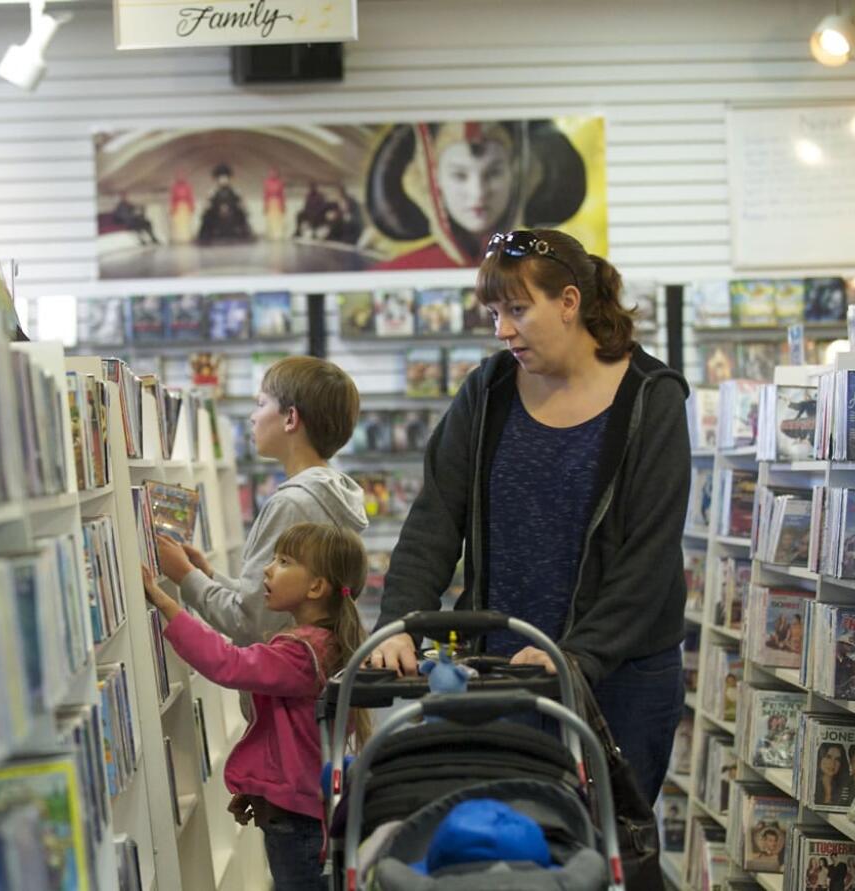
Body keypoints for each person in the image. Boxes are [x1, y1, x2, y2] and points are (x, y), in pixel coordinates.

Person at [367, 228, 691, 805]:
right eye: (494, 312)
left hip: (618, 680)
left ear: (570, 302)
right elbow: (434, 521)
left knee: (604, 845)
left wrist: (578, 655)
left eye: (517, 309)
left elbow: (651, 556)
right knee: (493, 841)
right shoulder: (488, 390)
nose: (502, 330)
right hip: (497, 669)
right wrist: (401, 625)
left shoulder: (650, 398)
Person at [141, 523, 372, 891]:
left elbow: (227, 663)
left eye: (284, 561)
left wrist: (165, 601)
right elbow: (294, 740)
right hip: (303, 813)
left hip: (299, 825)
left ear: (316, 587)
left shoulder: (302, 652)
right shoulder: (325, 643)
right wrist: (259, 787)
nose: (268, 569)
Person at [155, 356, 367, 646]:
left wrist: (186, 577)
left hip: (278, 683)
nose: (253, 417)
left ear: (290, 418)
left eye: (261, 404)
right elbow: (268, 606)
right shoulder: (327, 495)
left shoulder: (292, 504)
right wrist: (209, 575)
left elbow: (251, 623)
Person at [369, 121, 586, 270]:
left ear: (520, 176)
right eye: (459, 176)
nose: (478, 193)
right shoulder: (396, 272)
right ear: (431, 182)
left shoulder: (555, 272)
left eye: (493, 173)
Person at [814, 742, 854, 807]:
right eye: (828, 757)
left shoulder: (846, 786)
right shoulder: (811, 785)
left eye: (837, 759)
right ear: (820, 758)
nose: (833, 763)